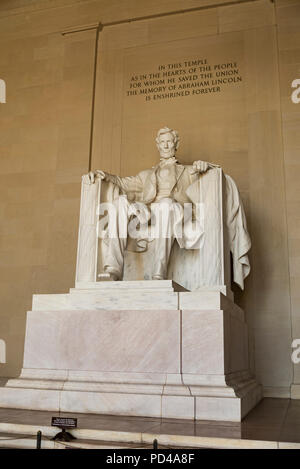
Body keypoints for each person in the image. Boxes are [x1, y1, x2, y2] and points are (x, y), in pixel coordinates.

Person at [87, 127, 251, 288]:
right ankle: (113, 269)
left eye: (169, 142)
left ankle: (159, 271)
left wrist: (205, 166)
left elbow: (216, 174)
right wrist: (103, 175)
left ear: (176, 145)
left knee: (166, 204)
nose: (165, 146)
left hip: (176, 210)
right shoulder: (146, 175)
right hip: (149, 211)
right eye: (162, 142)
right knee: (118, 204)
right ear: (158, 145)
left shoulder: (189, 171)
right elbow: (122, 183)